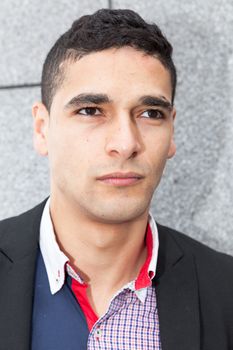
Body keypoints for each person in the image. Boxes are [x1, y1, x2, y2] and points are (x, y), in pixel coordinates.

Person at [0, 8, 232, 350]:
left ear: (172, 131)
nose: (125, 143)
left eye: (151, 113)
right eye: (91, 111)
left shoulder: (225, 291)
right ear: (42, 128)